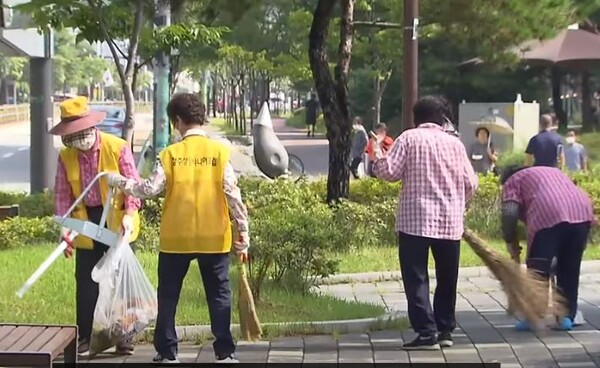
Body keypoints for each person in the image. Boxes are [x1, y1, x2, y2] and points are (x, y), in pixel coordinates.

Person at [106, 93, 249, 364]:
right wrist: (243, 232)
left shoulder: (170, 155)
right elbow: (233, 195)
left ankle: (168, 352)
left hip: (176, 238)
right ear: (201, 118)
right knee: (219, 295)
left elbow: (149, 189)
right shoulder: (220, 153)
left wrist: (121, 182)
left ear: (177, 121)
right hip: (214, 237)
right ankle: (225, 352)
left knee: (169, 295)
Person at [370, 96, 478, 350]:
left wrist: (377, 153)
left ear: (416, 117)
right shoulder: (456, 144)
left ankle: (426, 332)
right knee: (447, 278)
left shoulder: (408, 138)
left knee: (416, 277)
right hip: (450, 222)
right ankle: (444, 330)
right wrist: (459, 204)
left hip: (415, 221)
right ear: (442, 119)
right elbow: (471, 183)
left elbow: (389, 172)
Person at [51, 96, 142, 356]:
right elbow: (62, 195)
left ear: (92, 127)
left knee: (121, 280)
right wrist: (64, 226)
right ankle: (85, 337)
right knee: (86, 281)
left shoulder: (117, 147)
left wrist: (130, 212)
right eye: (73, 135)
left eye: (83, 133)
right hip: (86, 222)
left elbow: (132, 185)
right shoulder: (66, 157)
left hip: (117, 219)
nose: (81, 140)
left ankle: (125, 336)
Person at [500, 165, 594, 331]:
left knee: (538, 270)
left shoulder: (513, 181)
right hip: (582, 213)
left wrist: (510, 241)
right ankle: (566, 317)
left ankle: (534, 316)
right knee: (569, 269)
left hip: (549, 214)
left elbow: (509, 213)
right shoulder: (552, 172)